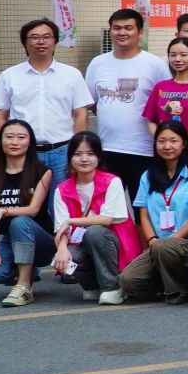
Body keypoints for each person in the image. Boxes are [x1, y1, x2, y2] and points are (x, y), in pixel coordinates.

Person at [0, 19, 94, 182]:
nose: (41, 42)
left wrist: (77, 151)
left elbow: (81, 114)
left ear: (55, 41)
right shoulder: (9, 75)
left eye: (47, 37)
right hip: (24, 152)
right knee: (27, 197)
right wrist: (5, 150)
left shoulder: (71, 74)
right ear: (25, 42)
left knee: (61, 198)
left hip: (62, 152)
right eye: (34, 37)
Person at [118, 122, 188, 303]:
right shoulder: (147, 176)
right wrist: (152, 241)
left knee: (163, 248)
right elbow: (143, 215)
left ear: (184, 144)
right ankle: (165, 280)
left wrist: (168, 242)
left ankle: (178, 291)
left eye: (173, 141)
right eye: (162, 141)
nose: (167, 146)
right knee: (128, 281)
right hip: (158, 243)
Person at [49, 131, 139, 305]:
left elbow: (106, 220)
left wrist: (71, 221)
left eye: (90, 154)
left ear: (99, 157)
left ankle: (112, 287)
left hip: (116, 244)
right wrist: (61, 248)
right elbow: (61, 229)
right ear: (70, 158)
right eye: (78, 154)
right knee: (68, 254)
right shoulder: (62, 189)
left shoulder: (112, 182)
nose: (84, 159)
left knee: (95, 232)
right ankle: (92, 286)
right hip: (85, 244)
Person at [84, 9, 168, 188]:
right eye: (117, 28)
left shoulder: (155, 64)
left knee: (143, 203)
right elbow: (92, 102)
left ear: (140, 32)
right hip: (106, 149)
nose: (122, 32)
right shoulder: (97, 63)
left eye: (128, 28)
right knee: (107, 203)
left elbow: (164, 104)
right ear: (110, 31)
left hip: (144, 150)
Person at [0, 119, 55, 307]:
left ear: (30, 142)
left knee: (20, 221)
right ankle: (25, 268)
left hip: (42, 242)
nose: (14, 142)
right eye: (9, 137)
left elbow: (33, 210)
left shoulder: (42, 172)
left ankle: (24, 286)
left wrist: (3, 210)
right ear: (1, 140)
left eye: (21, 137)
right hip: (12, 240)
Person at [142, 37, 188, 172]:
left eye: (183, 55)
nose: (177, 59)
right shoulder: (160, 86)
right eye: (173, 55)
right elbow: (151, 120)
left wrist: (184, 142)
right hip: (165, 155)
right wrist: (163, 141)